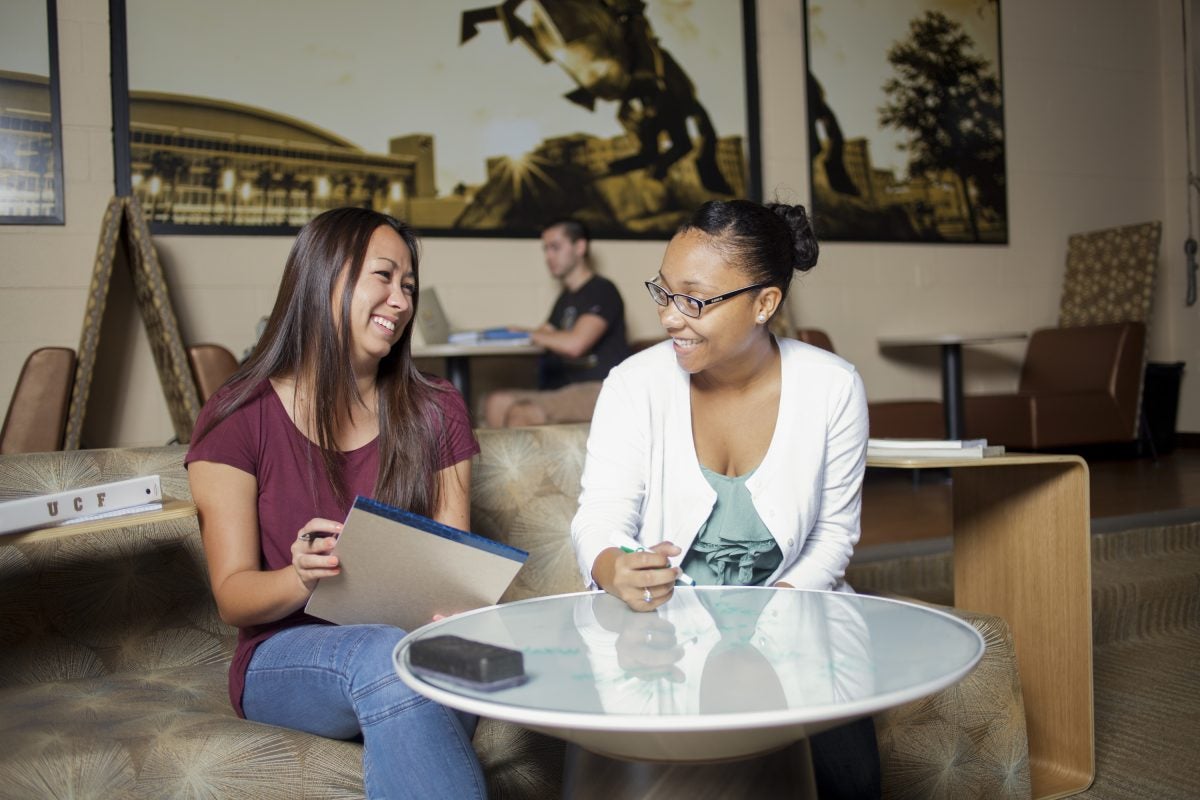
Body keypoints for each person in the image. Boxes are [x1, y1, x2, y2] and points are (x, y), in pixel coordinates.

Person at [570, 198, 879, 798]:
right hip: (664, 638)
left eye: (696, 300)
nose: (669, 318)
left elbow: (833, 538)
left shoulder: (833, 388)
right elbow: (601, 512)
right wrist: (613, 567)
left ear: (765, 303)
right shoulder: (635, 385)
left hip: (802, 626)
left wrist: (776, 616)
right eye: (663, 293)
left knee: (848, 778)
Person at [185, 208, 487, 799]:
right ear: (324, 278)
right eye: (383, 276)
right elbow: (233, 597)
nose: (400, 300)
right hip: (284, 655)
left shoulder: (438, 408)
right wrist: (301, 578)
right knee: (387, 657)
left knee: (450, 664)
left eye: (409, 284)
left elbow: (458, 569)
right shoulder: (238, 414)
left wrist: (459, 613)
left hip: (413, 643)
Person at [482, 218, 631, 427]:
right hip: (565, 389)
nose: (548, 256)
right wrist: (510, 333)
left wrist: (528, 334)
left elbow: (575, 345)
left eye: (555, 247)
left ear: (580, 247)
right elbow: (545, 334)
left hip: (599, 388)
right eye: (546, 249)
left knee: (522, 412)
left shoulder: (602, 290)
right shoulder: (565, 298)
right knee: (496, 402)